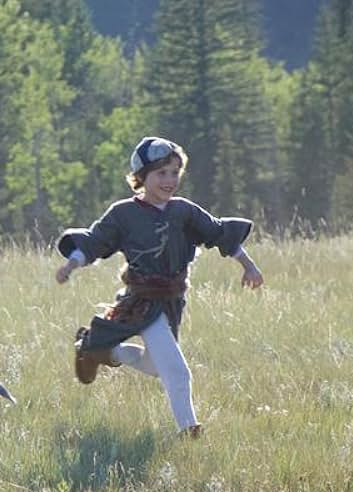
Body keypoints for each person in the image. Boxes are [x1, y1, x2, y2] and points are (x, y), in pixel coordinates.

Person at [54, 136, 263, 437]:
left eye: (175, 172)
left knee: (154, 366)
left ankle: (100, 351)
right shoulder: (123, 214)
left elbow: (218, 233)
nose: (169, 180)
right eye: (161, 173)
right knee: (177, 371)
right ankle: (189, 431)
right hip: (142, 300)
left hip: (173, 302)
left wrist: (249, 266)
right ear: (141, 176)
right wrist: (71, 265)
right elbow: (94, 242)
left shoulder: (184, 211)